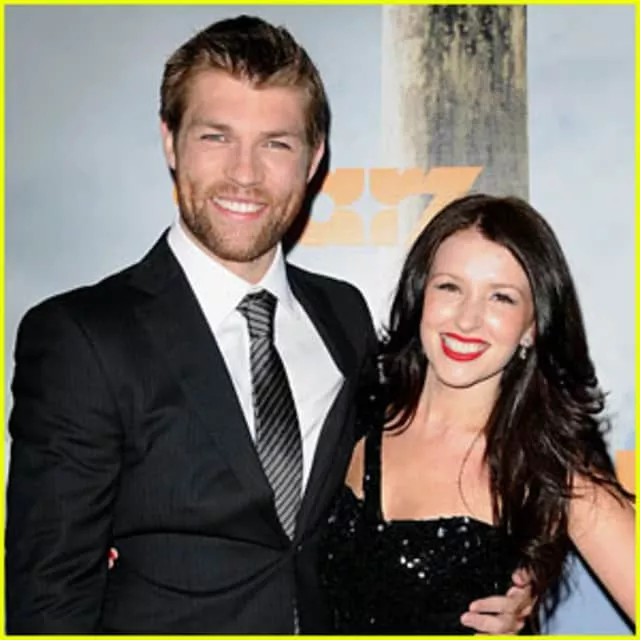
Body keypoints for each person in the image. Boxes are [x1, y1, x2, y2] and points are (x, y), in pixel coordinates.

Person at [6, 16, 529, 634]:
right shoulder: (82, 337)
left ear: (314, 159)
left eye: (276, 143)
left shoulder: (345, 317)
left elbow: (416, 484)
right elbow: (48, 597)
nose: (245, 174)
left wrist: (512, 577)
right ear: (170, 141)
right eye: (216, 137)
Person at [319, 193, 636, 634]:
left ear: (532, 327)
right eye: (449, 287)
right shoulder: (346, 414)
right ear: (420, 293)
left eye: (501, 298)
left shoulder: (550, 468)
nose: (467, 320)